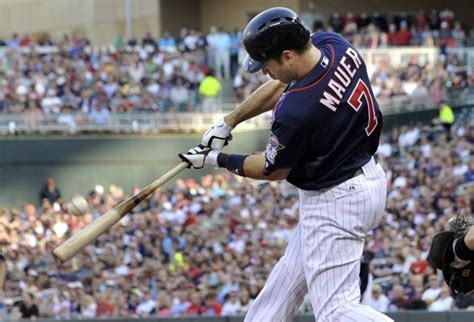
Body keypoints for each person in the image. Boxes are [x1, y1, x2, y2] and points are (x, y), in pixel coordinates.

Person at [179, 7, 392, 322]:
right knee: (282, 287)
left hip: (337, 201)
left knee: (336, 313)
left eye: (267, 64)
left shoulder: (296, 111)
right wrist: (229, 122)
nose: (265, 71)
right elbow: (281, 84)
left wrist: (218, 159)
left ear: (289, 56)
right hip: (363, 178)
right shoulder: (334, 45)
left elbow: (272, 169)